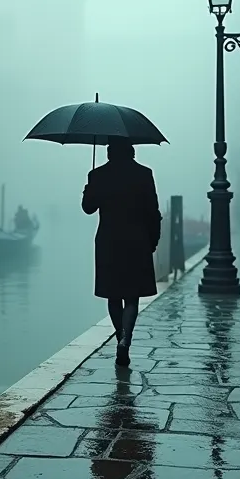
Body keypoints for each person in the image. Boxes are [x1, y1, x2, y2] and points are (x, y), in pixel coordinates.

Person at [81, 138, 162, 367]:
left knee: (113, 295)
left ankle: (120, 337)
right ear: (131, 151)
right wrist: (153, 241)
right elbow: (152, 212)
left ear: (109, 152)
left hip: (108, 241)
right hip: (137, 241)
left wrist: (88, 189)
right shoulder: (144, 174)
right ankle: (126, 340)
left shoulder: (97, 175)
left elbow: (88, 208)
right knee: (132, 297)